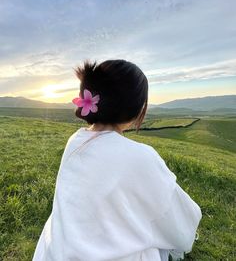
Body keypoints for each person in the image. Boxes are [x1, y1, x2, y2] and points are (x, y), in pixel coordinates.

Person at [32, 59, 202, 261]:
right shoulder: (141, 156)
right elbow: (177, 218)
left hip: (57, 250)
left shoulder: (75, 141)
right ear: (137, 109)